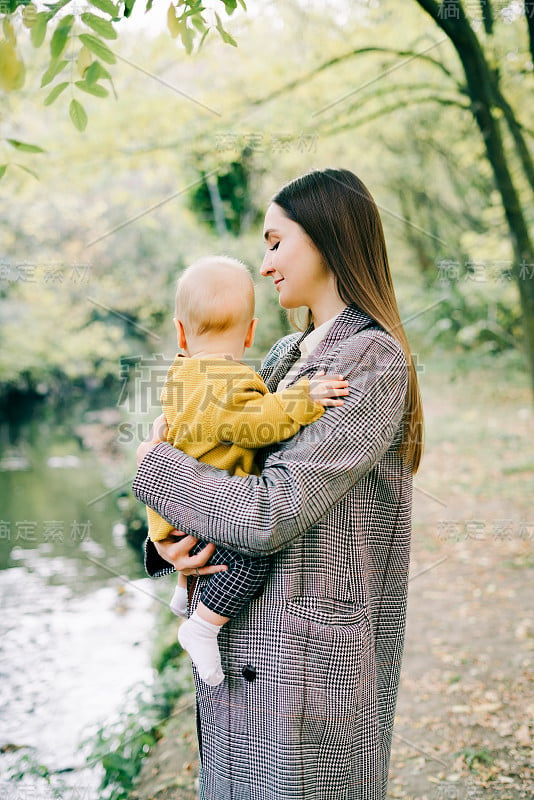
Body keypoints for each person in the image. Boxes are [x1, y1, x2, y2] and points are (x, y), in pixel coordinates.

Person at [133, 168, 424, 800]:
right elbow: (218, 467)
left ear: (324, 238)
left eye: (274, 242)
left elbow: (271, 512)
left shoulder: (373, 362)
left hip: (309, 667)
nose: (264, 266)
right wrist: (165, 545)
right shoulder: (281, 358)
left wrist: (153, 470)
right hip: (241, 653)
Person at [146, 255, 348, 686]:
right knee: (250, 561)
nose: (269, 260)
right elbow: (256, 423)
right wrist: (304, 399)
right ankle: (202, 626)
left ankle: (184, 592)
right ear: (251, 331)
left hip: (178, 516)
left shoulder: (180, 377)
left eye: (277, 243)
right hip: (212, 519)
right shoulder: (228, 380)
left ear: (179, 332)